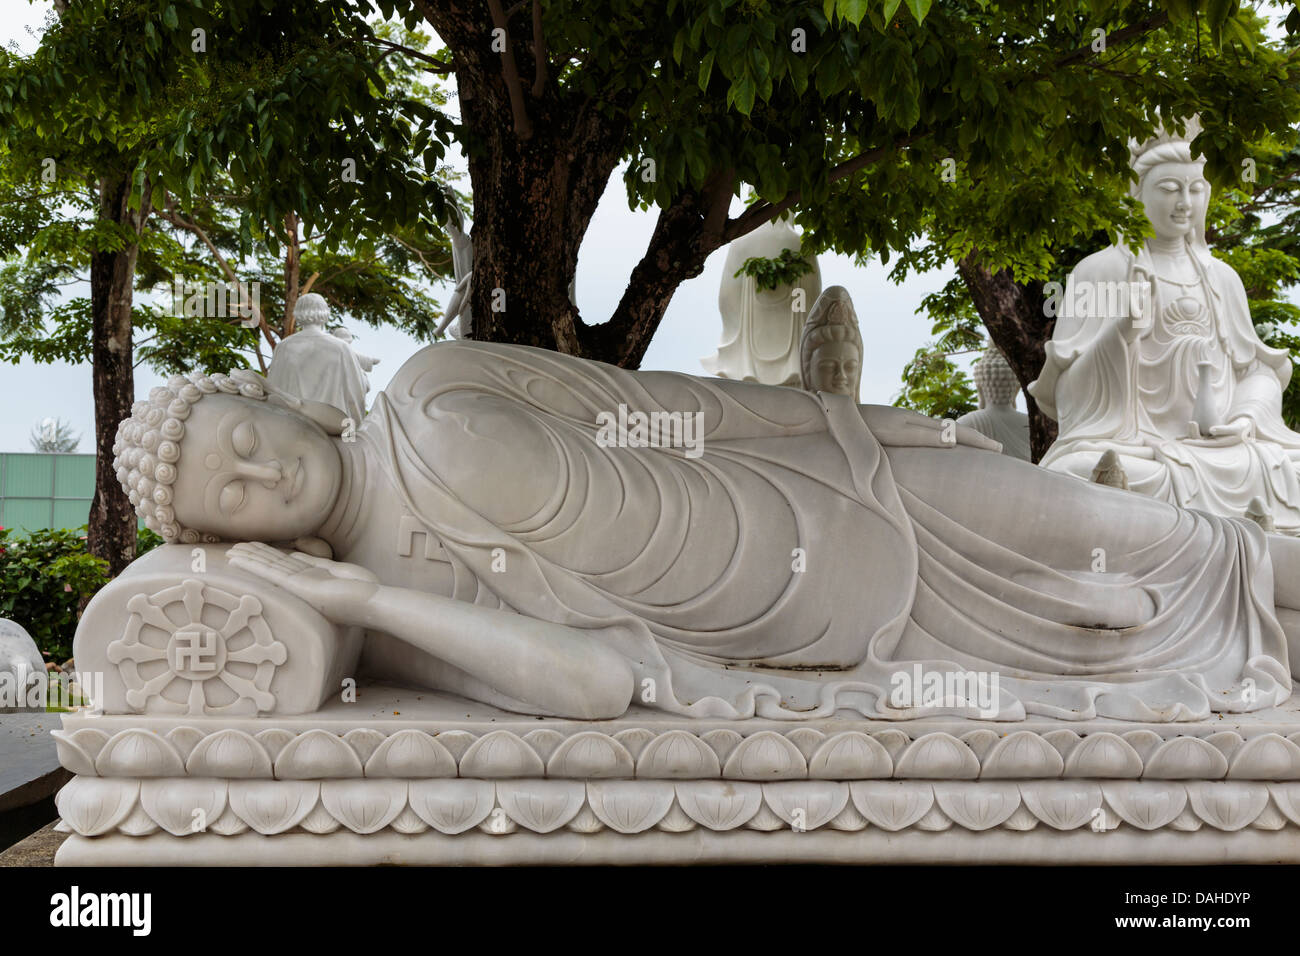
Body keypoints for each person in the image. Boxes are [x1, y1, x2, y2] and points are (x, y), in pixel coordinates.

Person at [112, 339, 1295, 721]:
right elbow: (592, 684)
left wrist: (889, 423)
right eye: (232, 494)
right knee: (1125, 631)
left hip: (851, 491)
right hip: (831, 641)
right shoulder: (389, 606)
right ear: (243, 541)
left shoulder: (437, 383)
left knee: (1176, 542)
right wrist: (363, 607)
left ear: (274, 398)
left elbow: (686, 410)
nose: (261, 470)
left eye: (242, 434)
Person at [1030, 119, 1300, 531]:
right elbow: (1067, 396)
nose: (1184, 203)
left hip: (1226, 452)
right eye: (1170, 188)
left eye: (1195, 189)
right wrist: (1119, 333)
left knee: (1291, 466)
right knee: (1076, 470)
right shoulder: (1098, 272)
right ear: (1136, 192)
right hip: (1140, 449)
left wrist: (1243, 420)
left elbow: (1259, 372)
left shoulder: (1222, 278)